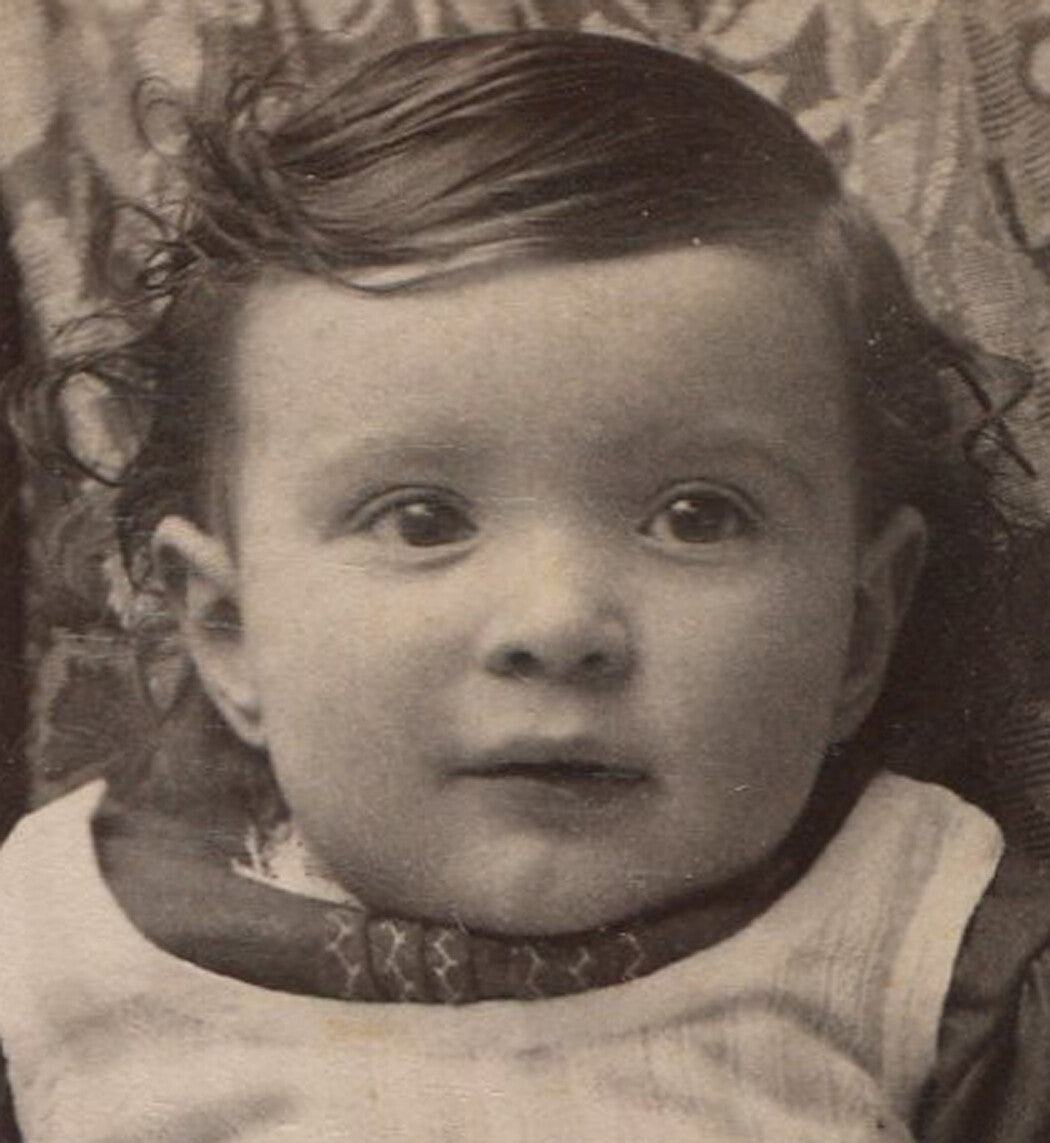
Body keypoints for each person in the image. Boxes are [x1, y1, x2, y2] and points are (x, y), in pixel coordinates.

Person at [2, 29, 1050, 1143]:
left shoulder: (930, 953)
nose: (559, 626)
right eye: (422, 521)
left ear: (860, 629)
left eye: (696, 517)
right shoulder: (53, 959)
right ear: (227, 629)